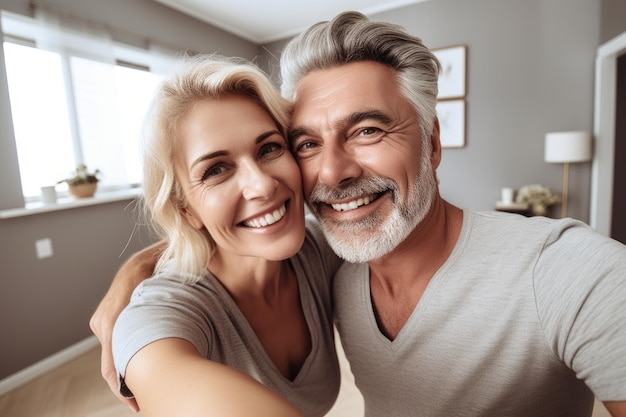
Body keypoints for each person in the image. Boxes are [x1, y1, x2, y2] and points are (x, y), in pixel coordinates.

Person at [91, 11, 626, 417]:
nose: (333, 172)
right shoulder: (331, 255)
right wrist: (136, 279)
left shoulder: (568, 273)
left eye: (367, 130)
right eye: (305, 143)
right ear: (184, 207)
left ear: (432, 143)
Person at [104, 54, 343, 417]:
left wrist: (138, 262)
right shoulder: (163, 309)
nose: (261, 185)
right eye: (216, 169)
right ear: (185, 210)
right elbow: (158, 363)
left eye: (269, 148)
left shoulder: (321, 248)